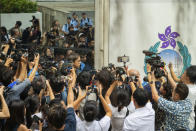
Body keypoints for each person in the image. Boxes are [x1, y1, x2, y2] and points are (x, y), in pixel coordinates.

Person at [169, 64, 196, 131]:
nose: (182, 74)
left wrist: (167, 74)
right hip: (190, 122)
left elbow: (175, 86)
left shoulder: (188, 90)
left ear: (187, 77)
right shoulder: (193, 87)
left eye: (184, 73)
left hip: (185, 125)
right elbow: (175, 82)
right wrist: (170, 70)